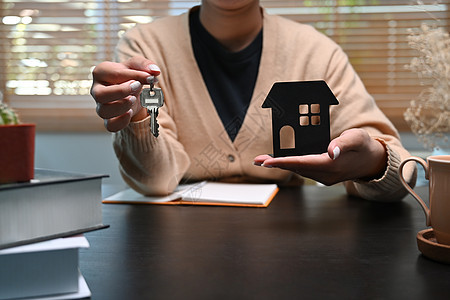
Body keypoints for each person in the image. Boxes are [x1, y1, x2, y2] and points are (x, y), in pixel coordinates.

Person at [90, 0, 416, 201]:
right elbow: (156, 182)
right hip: (173, 244)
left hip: (287, 242)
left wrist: (372, 163)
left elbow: (403, 175)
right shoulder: (147, 46)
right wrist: (138, 120)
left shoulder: (314, 51)